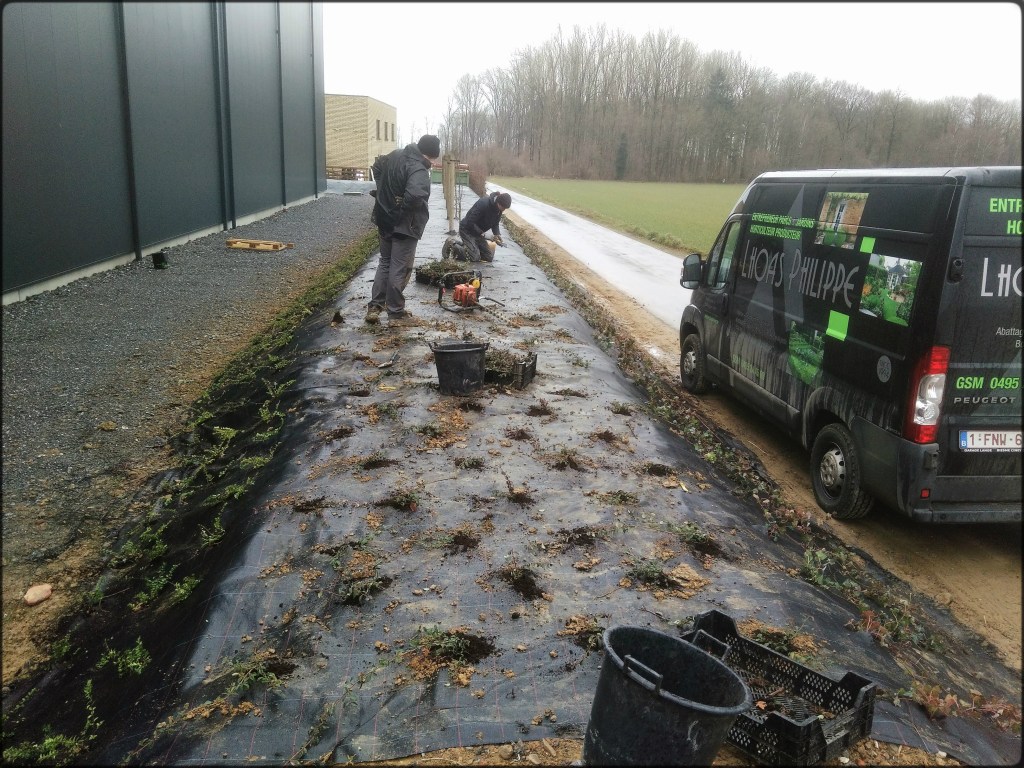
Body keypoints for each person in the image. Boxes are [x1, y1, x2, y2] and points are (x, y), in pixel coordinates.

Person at [365, 134, 442, 325]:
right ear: (431, 154)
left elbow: (377, 167)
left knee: (385, 262)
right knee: (400, 267)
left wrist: (384, 193)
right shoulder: (419, 169)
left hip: (384, 218)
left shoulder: (395, 154)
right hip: (403, 224)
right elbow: (415, 195)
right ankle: (395, 311)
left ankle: (375, 306)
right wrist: (399, 207)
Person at [457, 190, 511, 263]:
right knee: (474, 257)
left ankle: (469, 247)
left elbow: (495, 223)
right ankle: (453, 245)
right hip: (467, 230)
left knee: (488, 257)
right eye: (503, 207)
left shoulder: (499, 209)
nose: (503, 210)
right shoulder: (483, 204)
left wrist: (497, 234)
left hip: (478, 233)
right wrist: (485, 235)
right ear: (498, 202)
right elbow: (470, 222)